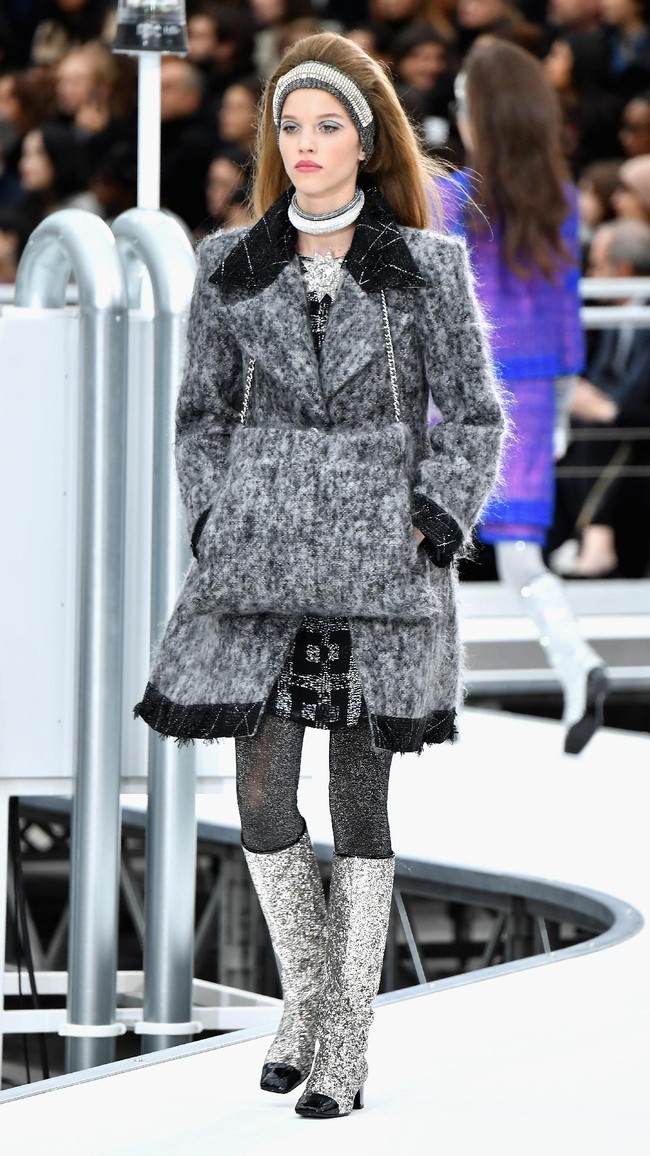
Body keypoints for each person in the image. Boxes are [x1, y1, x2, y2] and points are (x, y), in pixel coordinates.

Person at [135, 31, 504, 1118]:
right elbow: (198, 414)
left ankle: (342, 1042)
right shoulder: (228, 265)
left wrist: (433, 518)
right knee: (257, 794)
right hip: (258, 560)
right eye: (288, 126)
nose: (304, 144)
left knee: (357, 795)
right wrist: (211, 514)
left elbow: (473, 413)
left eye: (326, 126)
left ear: (364, 139)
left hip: (379, 562)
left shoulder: (424, 267)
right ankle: (308, 1002)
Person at [443, 38, 608, 755]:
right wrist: (567, 389)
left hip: (463, 388)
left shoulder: (455, 198)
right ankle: (577, 665)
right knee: (519, 552)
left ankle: (422, 697)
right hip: (538, 388)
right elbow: (565, 304)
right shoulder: (562, 201)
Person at [550, 218, 650, 577]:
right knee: (576, 422)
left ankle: (594, 539)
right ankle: (586, 536)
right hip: (623, 427)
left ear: (622, 269)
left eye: (595, 265)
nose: (589, 274)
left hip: (638, 430)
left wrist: (607, 408)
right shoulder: (615, 313)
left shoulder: (642, 311)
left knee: (594, 432)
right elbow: (604, 380)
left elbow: (635, 398)